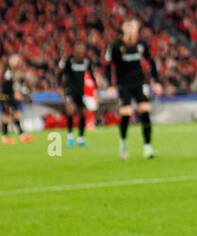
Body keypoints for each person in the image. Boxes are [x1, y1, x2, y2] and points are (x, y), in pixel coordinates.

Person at [104, 19, 155, 160]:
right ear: (125, 31)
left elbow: (151, 61)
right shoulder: (117, 46)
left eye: (136, 30)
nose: (134, 33)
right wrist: (110, 85)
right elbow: (109, 66)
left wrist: (155, 81)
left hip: (139, 83)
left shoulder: (141, 45)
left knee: (145, 111)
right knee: (126, 113)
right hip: (124, 84)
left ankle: (148, 146)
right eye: (131, 29)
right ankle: (123, 143)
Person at [59, 40, 95, 147]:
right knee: (70, 111)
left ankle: (80, 139)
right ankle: (70, 137)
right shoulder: (70, 60)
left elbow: (91, 74)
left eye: (82, 48)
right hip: (70, 90)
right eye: (79, 48)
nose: (81, 50)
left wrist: (96, 87)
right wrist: (61, 88)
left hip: (80, 91)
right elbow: (62, 74)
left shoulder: (86, 61)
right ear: (75, 50)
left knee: (83, 113)